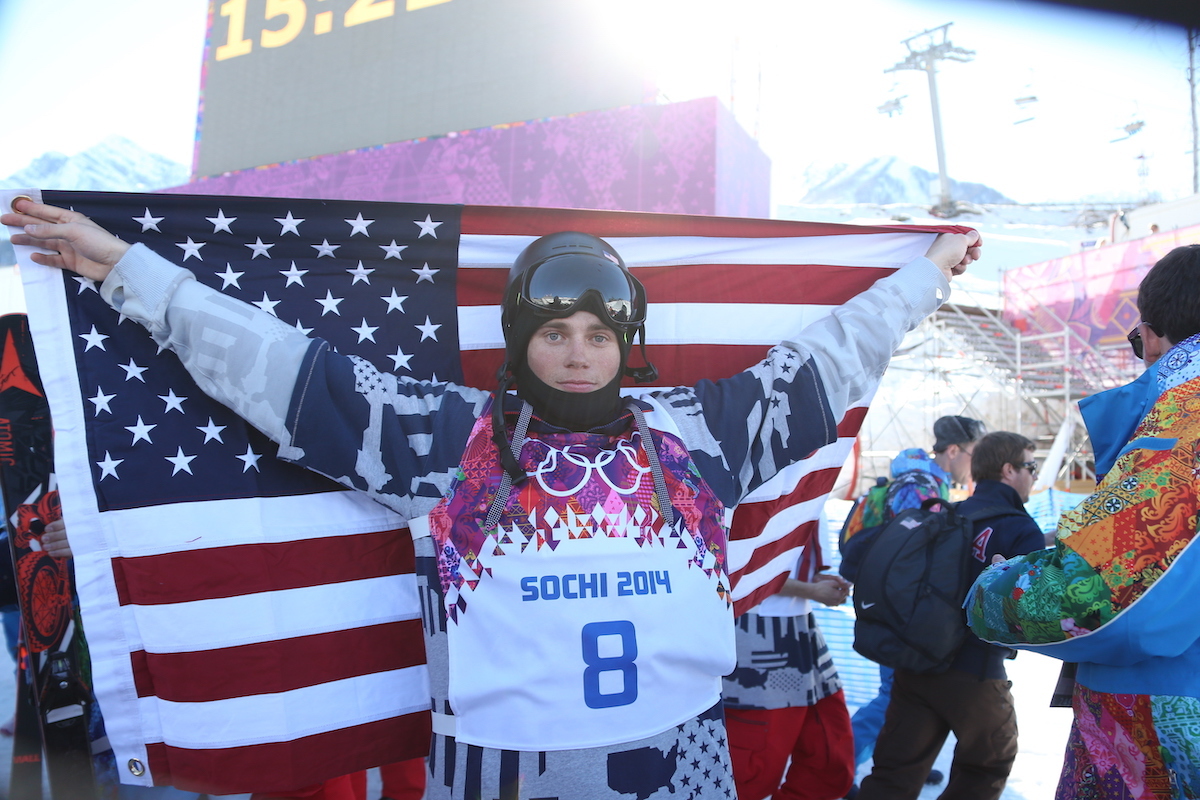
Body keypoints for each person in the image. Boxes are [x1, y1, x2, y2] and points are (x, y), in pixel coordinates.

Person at [2, 197, 979, 800]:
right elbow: (277, 369)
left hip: (682, 752)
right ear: (522, 337)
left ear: (624, 340)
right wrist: (122, 268)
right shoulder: (452, 435)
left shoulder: (697, 427)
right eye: (555, 330)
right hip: (502, 763)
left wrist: (929, 275)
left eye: (599, 330)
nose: (578, 349)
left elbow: (833, 354)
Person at [966, 245, 1200, 800]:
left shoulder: (1186, 420)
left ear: (1154, 333)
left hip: (1162, 718)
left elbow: (1092, 590)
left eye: (1138, 344)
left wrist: (991, 591)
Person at [856, 431, 1045, 800]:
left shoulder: (950, 513)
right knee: (987, 765)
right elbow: (1029, 614)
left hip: (916, 665)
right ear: (1009, 470)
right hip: (975, 673)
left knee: (892, 774)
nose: (1034, 475)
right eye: (1030, 466)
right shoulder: (1021, 529)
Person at [845, 414, 986, 788]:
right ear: (953, 450)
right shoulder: (919, 486)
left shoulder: (930, 483)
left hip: (901, 607)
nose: (976, 462)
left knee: (909, 693)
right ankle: (841, 767)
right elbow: (912, 556)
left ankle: (909, 763)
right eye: (975, 453)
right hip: (900, 611)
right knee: (894, 693)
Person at [722, 512, 855, 800]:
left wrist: (819, 582)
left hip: (799, 630)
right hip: (755, 636)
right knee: (753, 771)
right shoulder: (751, 474)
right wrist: (810, 589)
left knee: (831, 757)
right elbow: (737, 566)